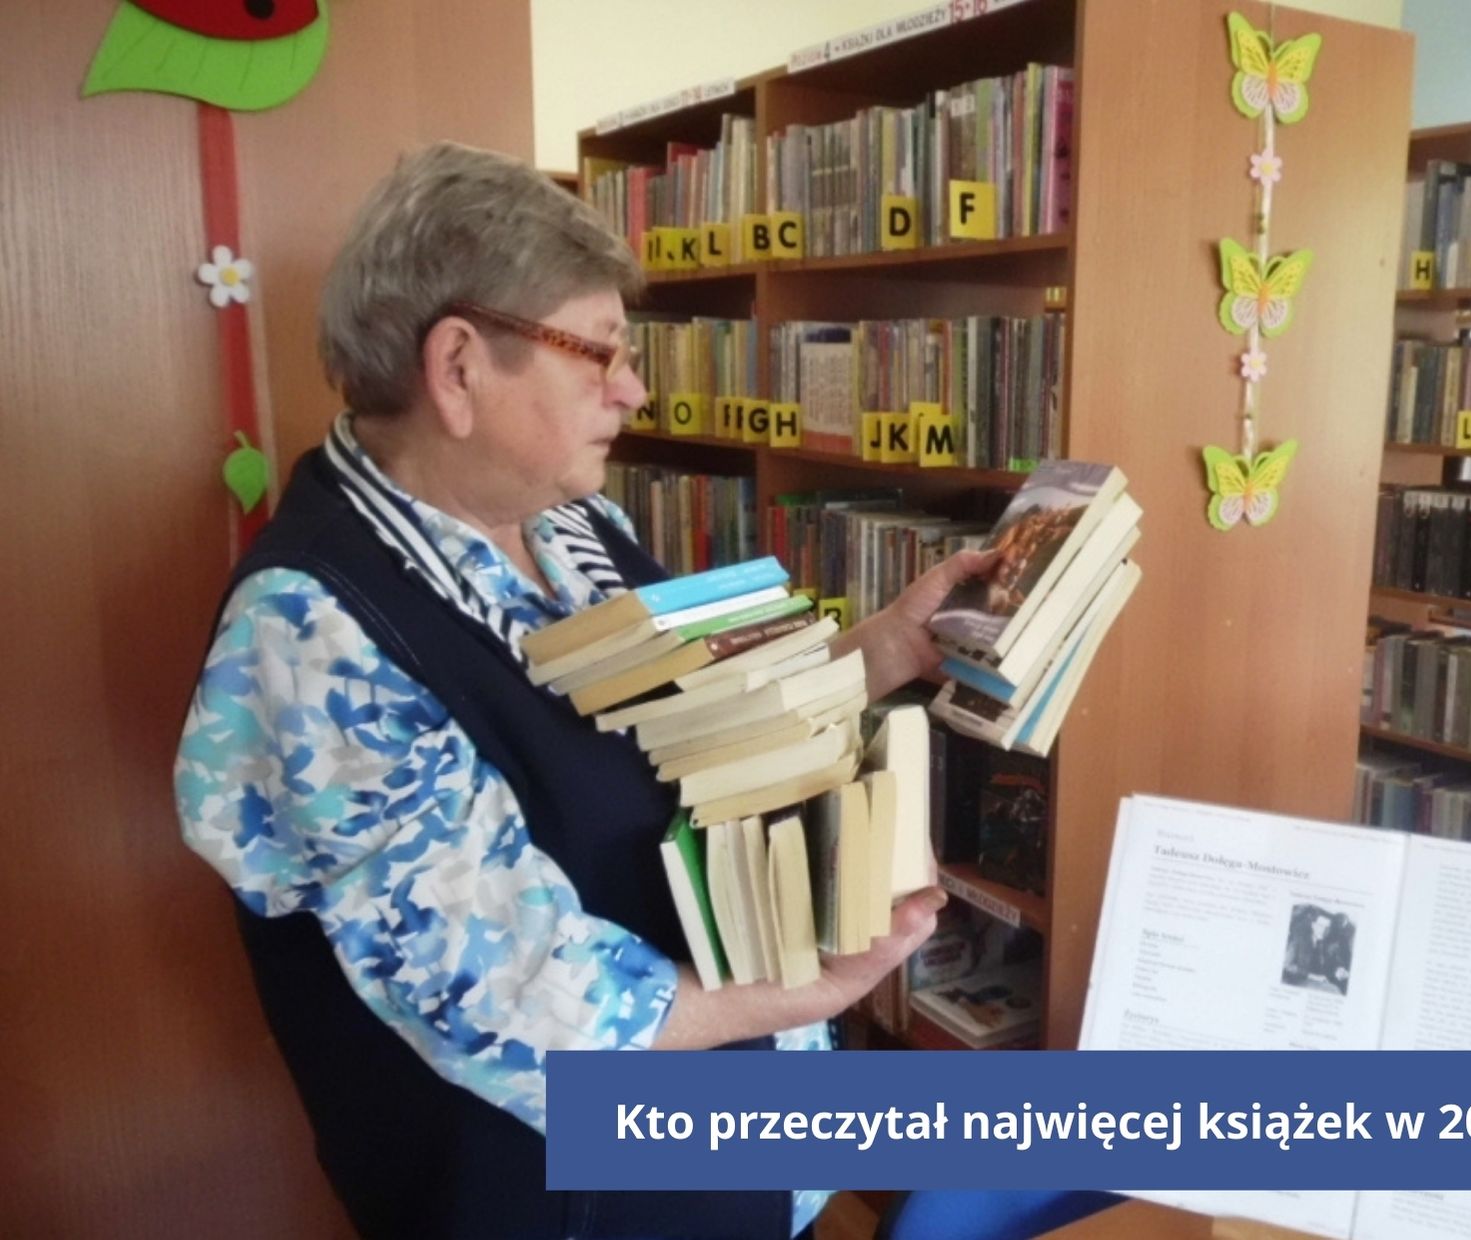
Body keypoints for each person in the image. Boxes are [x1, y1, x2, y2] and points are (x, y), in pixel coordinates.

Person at [173, 141, 990, 1240]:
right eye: (598, 353)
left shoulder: (571, 525)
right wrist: (820, 987)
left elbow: (704, 714)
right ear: (459, 367)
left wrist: (887, 648)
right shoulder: (308, 633)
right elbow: (520, 1000)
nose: (633, 389)